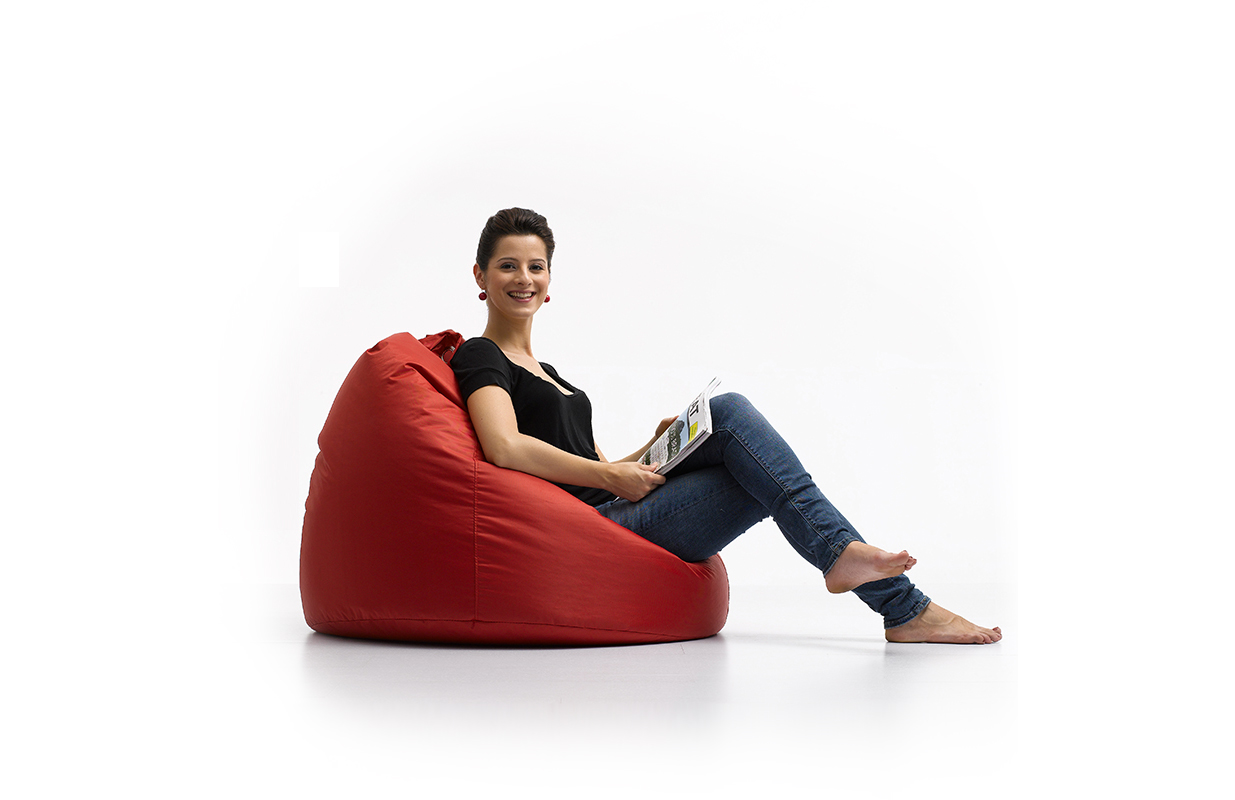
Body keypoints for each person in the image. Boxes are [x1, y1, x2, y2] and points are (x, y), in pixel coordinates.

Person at [450, 207, 1002, 644]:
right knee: (733, 413)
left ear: (550, 279)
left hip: (609, 506)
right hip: (588, 531)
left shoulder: (550, 374)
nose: (524, 278)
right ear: (481, 275)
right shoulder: (481, 355)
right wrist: (614, 478)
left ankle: (896, 605)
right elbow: (504, 447)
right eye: (508, 265)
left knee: (738, 443)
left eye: (536, 266)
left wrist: (652, 447)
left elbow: (597, 467)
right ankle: (869, 579)